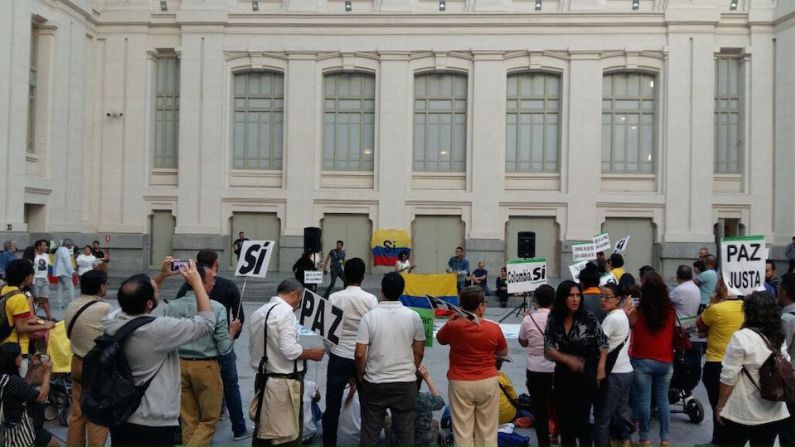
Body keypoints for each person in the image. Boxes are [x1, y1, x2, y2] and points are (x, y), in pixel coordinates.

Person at [103, 259, 216, 446]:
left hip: (122, 413)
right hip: (152, 420)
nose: (158, 290)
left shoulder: (112, 321)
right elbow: (207, 323)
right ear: (149, 303)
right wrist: (196, 281)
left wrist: (162, 275)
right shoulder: (157, 329)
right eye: (155, 291)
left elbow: (139, 298)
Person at [175, 249, 250, 441]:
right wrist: (231, 335)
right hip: (217, 349)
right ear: (215, 263)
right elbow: (239, 317)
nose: (213, 283)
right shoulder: (225, 294)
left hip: (185, 354)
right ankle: (239, 428)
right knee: (230, 386)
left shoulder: (182, 293)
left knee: (189, 408)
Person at [163, 264, 238, 446]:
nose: (214, 283)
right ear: (200, 281)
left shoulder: (171, 307)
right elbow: (224, 347)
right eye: (211, 279)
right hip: (206, 366)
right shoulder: (217, 308)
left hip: (179, 365)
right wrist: (232, 332)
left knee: (188, 418)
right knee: (210, 419)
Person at [249, 279, 325, 446]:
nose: (300, 303)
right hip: (282, 382)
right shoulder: (285, 313)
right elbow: (290, 350)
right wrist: (310, 353)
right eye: (300, 298)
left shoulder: (258, 312)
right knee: (287, 434)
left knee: (264, 430)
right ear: (294, 294)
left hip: (262, 377)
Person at [355, 272, 425, 447]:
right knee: (405, 433)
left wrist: (361, 373)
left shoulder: (369, 317)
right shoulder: (414, 317)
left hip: (375, 382)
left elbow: (360, 354)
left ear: (382, 290)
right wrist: (412, 369)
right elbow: (419, 351)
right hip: (405, 382)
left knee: (370, 432)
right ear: (402, 291)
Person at [715, 292, 790, 447]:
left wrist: (721, 405)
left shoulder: (741, 337)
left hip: (743, 410)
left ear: (749, 312)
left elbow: (729, 376)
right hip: (773, 409)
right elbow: (786, 361)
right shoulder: (779, 335)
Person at [437, 286, 507, 447]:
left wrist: (450, 322)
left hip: (460, 382)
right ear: (481, 306)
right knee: (488, 431)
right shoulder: (493, 328)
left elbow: (441, 339)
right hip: (487, 380)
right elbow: (503, 352)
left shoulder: (453, 326)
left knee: (462, 432)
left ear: (461, 306)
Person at [545, 280, 608, 447]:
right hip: (563, 375)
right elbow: (548, 348)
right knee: (565, 423)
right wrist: (566, 359)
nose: (575, 299)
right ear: (562, 298)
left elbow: (603, 344)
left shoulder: (588, 318)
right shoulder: (554, 319)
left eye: (578, 295)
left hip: (586, 374)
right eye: (571, 296)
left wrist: (601, 368)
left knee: (582, 422)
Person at [323, 258, 378, 447]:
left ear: (344, 276)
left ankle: (329, 443)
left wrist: (333, 352)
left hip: (339, 355)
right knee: (368, 406)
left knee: (332, 406)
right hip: (363, 357)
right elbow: (374, 332)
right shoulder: (371, 300)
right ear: (363, 276)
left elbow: (327, 333)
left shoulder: (334, 298)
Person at [64, 269, 112, 447]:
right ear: (100, 287)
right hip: (96, 367)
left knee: (77, 413)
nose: (107, 287)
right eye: (106, 284)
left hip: (77, 361)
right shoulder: (103, 308)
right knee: (97, 414)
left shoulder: (72, 304)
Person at [627, 272, 675, 447]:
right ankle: (665, 438)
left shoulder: (639, 310)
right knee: (663, 400)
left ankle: (644, 438)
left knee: (643, 400)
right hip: (665, 360)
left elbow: (629, 323)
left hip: (642, 359)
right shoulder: (670, 310)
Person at [696, 280, 744, 446]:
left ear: (723, 288)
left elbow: (699, 323)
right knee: (731, 406)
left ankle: (719, 441)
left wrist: (712, 303)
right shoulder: (746, 307)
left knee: (717, 405)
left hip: (716, 363)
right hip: (738, 364)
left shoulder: (716, 309)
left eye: (719, 285)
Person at [593, 283, 633, 447]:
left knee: (603, 417)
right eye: (601, 296)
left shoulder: (611, 318)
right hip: (626, 371)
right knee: (620, 413)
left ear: (617, 299)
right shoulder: (622, 315)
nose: (603, 300)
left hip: (613, 373)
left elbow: (598, 344)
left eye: (607, 297)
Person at [0, 260, 54, 377]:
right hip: (16, 348)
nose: (32, 277)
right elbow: (20, 328)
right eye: (31, 274)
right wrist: (45, 325)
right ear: (25, 277)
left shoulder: (4, 290)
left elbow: (10, 317)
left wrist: (30, 320)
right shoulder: (19, 297)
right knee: (18, 387)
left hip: (3, 343)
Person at [517, 284, 555, 447]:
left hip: (535, 369)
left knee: (539, 410)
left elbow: (523, 342)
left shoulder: (528, 318)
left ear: (536, 300)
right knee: (557, 406)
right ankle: (558, 434)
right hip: (554, 368)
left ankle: (543, 443)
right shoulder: (558, 318)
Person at [0, 343, 57, 447]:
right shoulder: (13, 381)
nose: (21, 358)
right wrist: (47, 372)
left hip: (12, 424)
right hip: (20, 428)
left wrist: (31, 367)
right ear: (12, 359)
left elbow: (24, 387)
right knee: (53, 444)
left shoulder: (5, 377)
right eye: (19, 355)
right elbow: (42, 397)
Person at [776, 273, 795, 446]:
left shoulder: (787, 318)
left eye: (780, 287)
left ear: (785, 292)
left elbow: (782, 350)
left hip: (791, 380)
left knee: (788, 427)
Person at [414, 364, 445, 447]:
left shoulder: (396, 397)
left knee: (389, 421)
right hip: (423, 442)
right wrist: (427, 378)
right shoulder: (425, 398)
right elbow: (440, 402)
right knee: (434, 423)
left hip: (399, 440)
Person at [32, 239, 53, 321]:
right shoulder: (33, 255)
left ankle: (49, 316)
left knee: (45, 298)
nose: (45, 247)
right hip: (35, 279)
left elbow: (49, 266)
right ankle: (33, 315)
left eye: (46, 245)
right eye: (43, 245)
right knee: (36, 299)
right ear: (38, 246)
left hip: (44, 279)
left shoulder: (46, 256)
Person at [53, 239, 75, 309]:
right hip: (65, 272)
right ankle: (73, 304)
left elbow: (55, 262)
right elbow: (67, 263)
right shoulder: (65, 251)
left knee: (60, 288)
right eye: (71, 245)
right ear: (68, 245)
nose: (72, 246)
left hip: (59, 272)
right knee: (70, 288)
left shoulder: (58, 250)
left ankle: (60, 304)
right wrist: (72, 271)